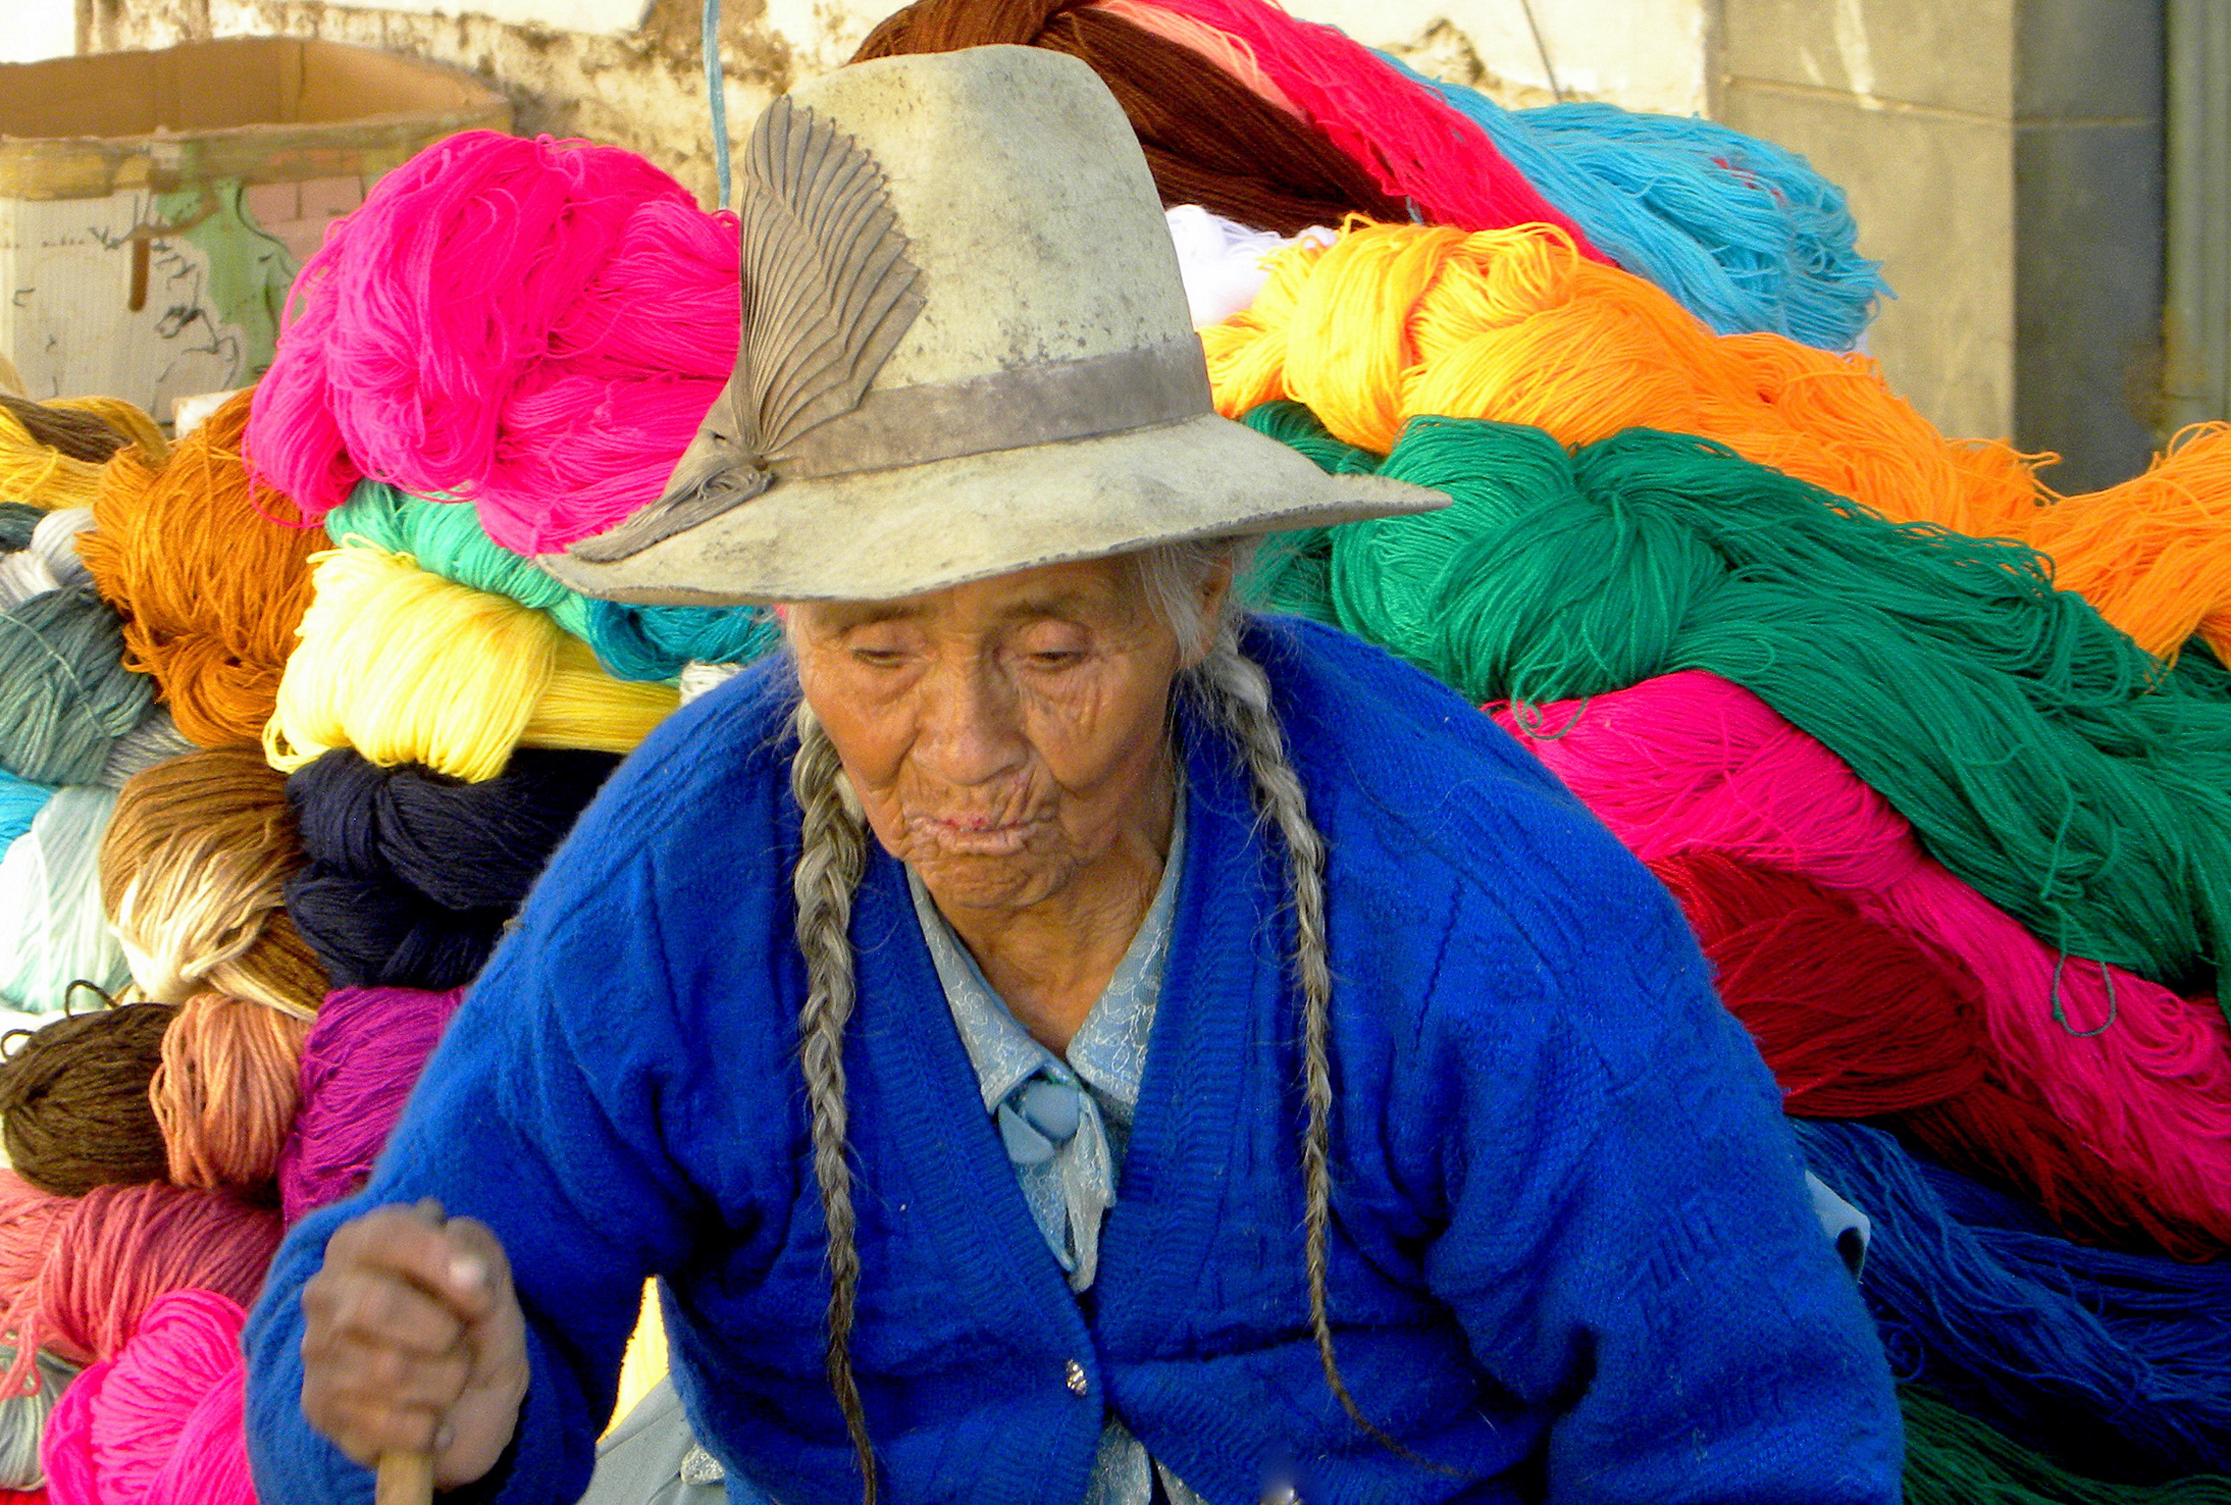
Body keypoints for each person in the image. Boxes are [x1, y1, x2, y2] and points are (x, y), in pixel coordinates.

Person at [244, 44, 1902, 1505]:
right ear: (786, 621)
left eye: (1052, 649)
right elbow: (450, 1272)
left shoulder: (1464, 899)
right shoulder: (688, 880)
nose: (962, 748)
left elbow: (1746, 1416)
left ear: (1195, 594)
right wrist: (425, 1392)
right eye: (877, 650)